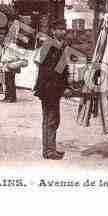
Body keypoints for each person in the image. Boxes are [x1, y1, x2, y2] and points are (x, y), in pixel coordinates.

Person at [33, 19, 72, 160]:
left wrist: (65, 85)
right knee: (51, 119)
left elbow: (62, 69)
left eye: (64, 29)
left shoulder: (60, 46)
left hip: (51, 88)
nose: (63, 31)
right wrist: (63, 88)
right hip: (49, 88)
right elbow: (50, 71)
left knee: (50, 118)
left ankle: (49, 149)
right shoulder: (49, 45)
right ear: (53, 31)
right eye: (60, 29)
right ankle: (49, 150)